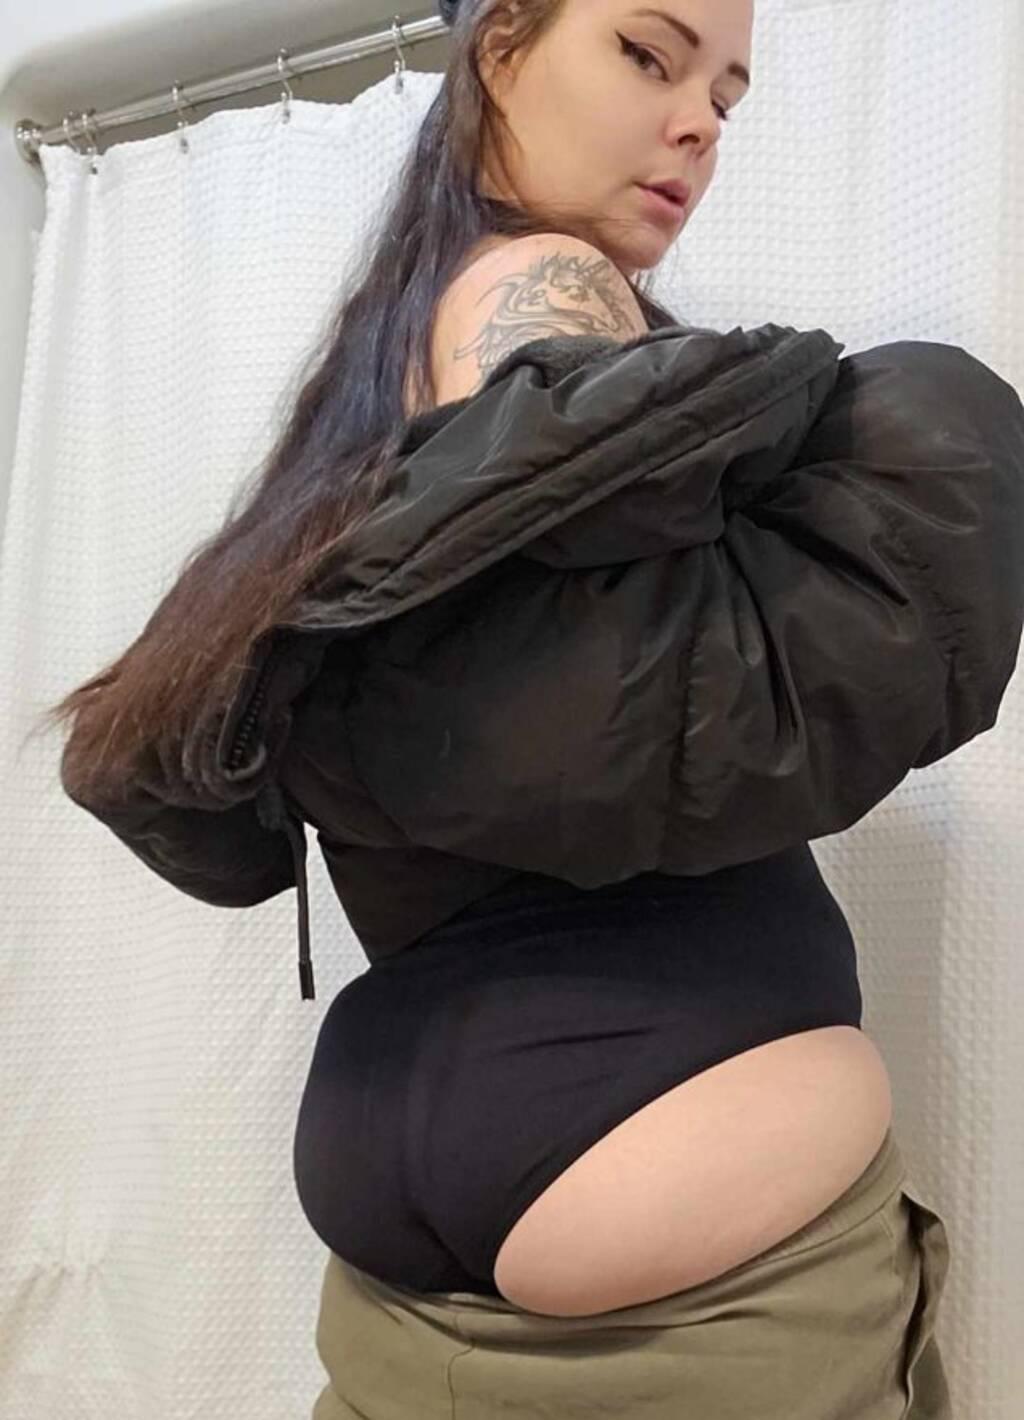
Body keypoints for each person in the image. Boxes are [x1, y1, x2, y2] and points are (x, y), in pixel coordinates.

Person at [57, 0, 1024, 1414]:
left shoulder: (368, 391)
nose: (695, 125)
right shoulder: (552, 279)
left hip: (396, 1202)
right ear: (499, 46)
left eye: (726, 96)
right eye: (647, 53)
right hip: (667, 1197)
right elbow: (621, 693)